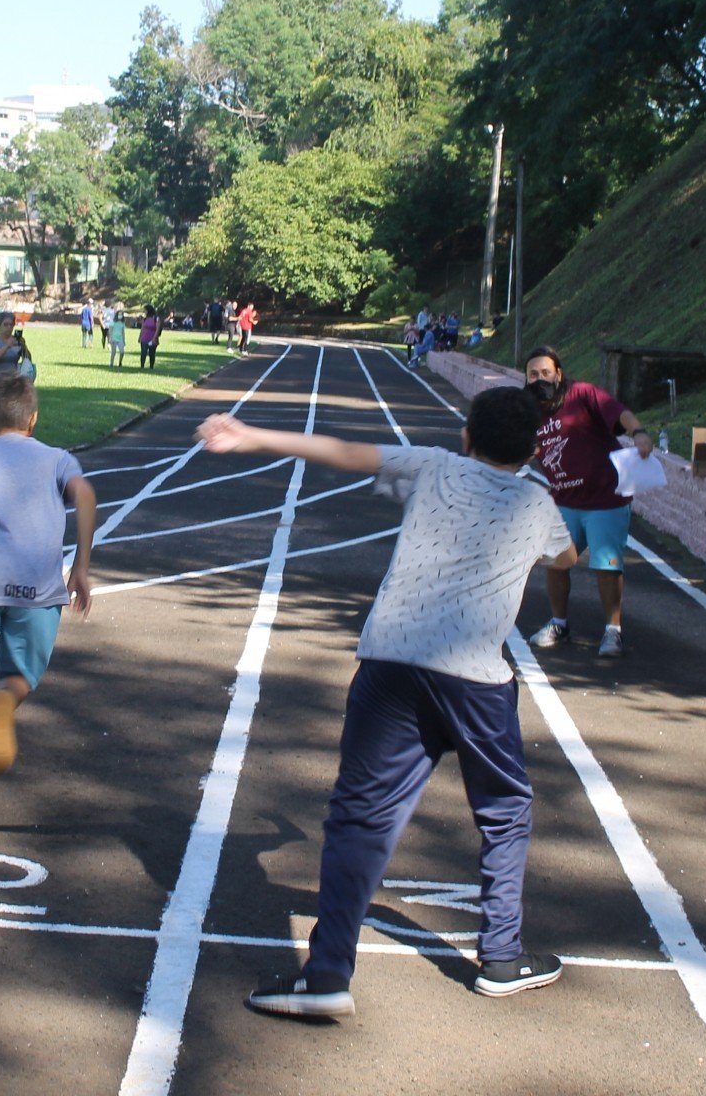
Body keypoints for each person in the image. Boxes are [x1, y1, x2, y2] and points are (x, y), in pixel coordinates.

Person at [197, 388, 576, 1019]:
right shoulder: (537, 502)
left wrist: (253, 436)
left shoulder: (433, 465)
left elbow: (346, 452)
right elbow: (568, 556)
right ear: (531, 448)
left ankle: (325, 978)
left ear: (466, 437)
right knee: (505, 809)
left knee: (360, 818)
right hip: (477, 681)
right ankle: (502, 958)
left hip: (392, 661)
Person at [0, 375, 96, 838]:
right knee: (18, 673)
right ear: (33, 420)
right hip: (36, 586)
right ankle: (7, 700)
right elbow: (84, 495)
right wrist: (81, 566)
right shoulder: (56, 459)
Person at [520, 348, 654, 658]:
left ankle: (613, 630)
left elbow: (618, 411)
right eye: (533, 374)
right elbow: (522, 447)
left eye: (545, 372)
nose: (540, 379)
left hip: (604, 498)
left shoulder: (581, 394)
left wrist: (640, 432)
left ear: (559, 374)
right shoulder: (528, 409)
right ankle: (559, 624)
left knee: (607, 566)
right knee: (555, 562)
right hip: (564, 501)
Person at [0, 311, 32, 382]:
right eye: (5, 325)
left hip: (12, 380)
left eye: (11, 325)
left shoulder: (16, 341)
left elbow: (28, 360)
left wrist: (24, 347)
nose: (8, 327)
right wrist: (7, 345)